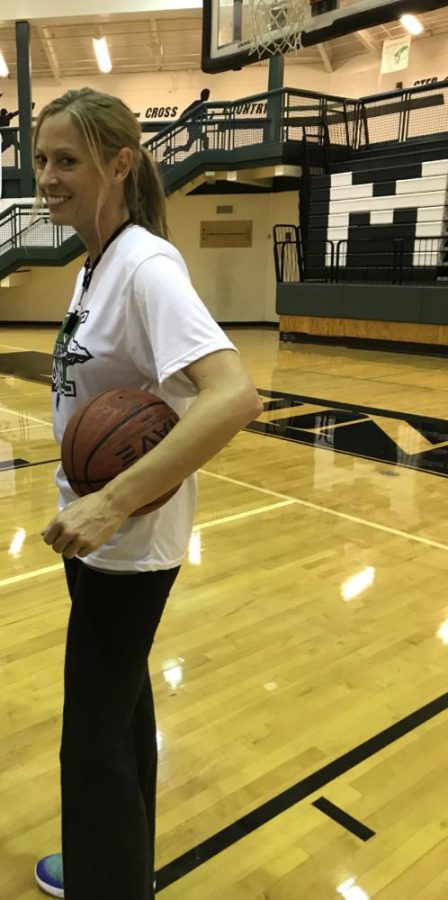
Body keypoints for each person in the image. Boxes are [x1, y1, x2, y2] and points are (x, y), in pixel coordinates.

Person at [32, 87, 262, 900]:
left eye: (67, 160)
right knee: (122, 713)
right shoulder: (97, 259)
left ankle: (106, 880)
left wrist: (112, 501)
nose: (47, 177)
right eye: (41, 159)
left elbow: (235, 395)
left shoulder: (146, 265)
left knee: (89, 741)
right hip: (96, 539)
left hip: (126, 546)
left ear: (119, 162)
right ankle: (118, 864)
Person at [164, 88, 210, 156]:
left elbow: (203, 116)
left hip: (195, 128)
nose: (207, 97)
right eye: (207, 95)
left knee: (187, 148)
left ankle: (170, 150)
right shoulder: (198, 103)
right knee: (205, 139)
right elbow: (188, 111)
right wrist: (181, 118)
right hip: (193, 128)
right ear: (204, 95)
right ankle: (206, 154)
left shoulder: (203, 105)